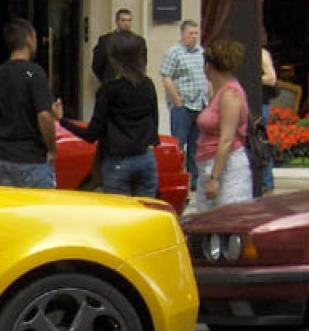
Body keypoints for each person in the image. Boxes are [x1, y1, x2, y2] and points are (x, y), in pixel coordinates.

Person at [58, 33, 160, 197]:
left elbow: (91, 134)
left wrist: (63, 121)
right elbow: (154, 122)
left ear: (114, 60)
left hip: (119, 160)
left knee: (121, 215)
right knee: (145, 213)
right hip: (145, 158)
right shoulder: (148, 85)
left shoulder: (108, 91)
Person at [0, 17, 57, 189]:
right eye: (34, 38)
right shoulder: (35, 73)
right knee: (38, 211)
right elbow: (43, 115)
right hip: (31, 158)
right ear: (28, 39)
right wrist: (51, 148)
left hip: (1, 158)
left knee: (10, 212)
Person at [193, 40, 254, 212]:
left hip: (228, 168)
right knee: (206, 221)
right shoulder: (219, 91)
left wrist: (215, 177)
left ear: (208, 66)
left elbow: (226, 139)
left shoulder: (230, 95)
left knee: (226, 217)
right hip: (208, 163)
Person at [159, 19, 207, 191]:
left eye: (196, 33)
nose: (194, 37)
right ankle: (177, 179)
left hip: (200, 105)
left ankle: (194, 180)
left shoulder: (201, 52)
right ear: (182, 34)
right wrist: (177, 100)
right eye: (190, 34)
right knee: (179, 144)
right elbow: (166, 76)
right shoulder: (174, 53)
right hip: (183, 106)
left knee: (196, 144)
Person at [91, 8, 145, 85]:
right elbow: (97, 64)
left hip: (134, 83)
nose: (126, 23)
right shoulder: (105, 40)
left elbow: (142, 62)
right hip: (111, 82)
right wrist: (105, 78)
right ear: (117, 21)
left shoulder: (140, 41)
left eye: (129, 20)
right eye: (123, 20)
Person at [260, 40, 278, 195]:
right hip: (243, 102)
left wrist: (251, 78)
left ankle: (267, 183)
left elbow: (271, 79)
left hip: (260, 105)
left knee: (261, 144)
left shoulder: (262, 54)